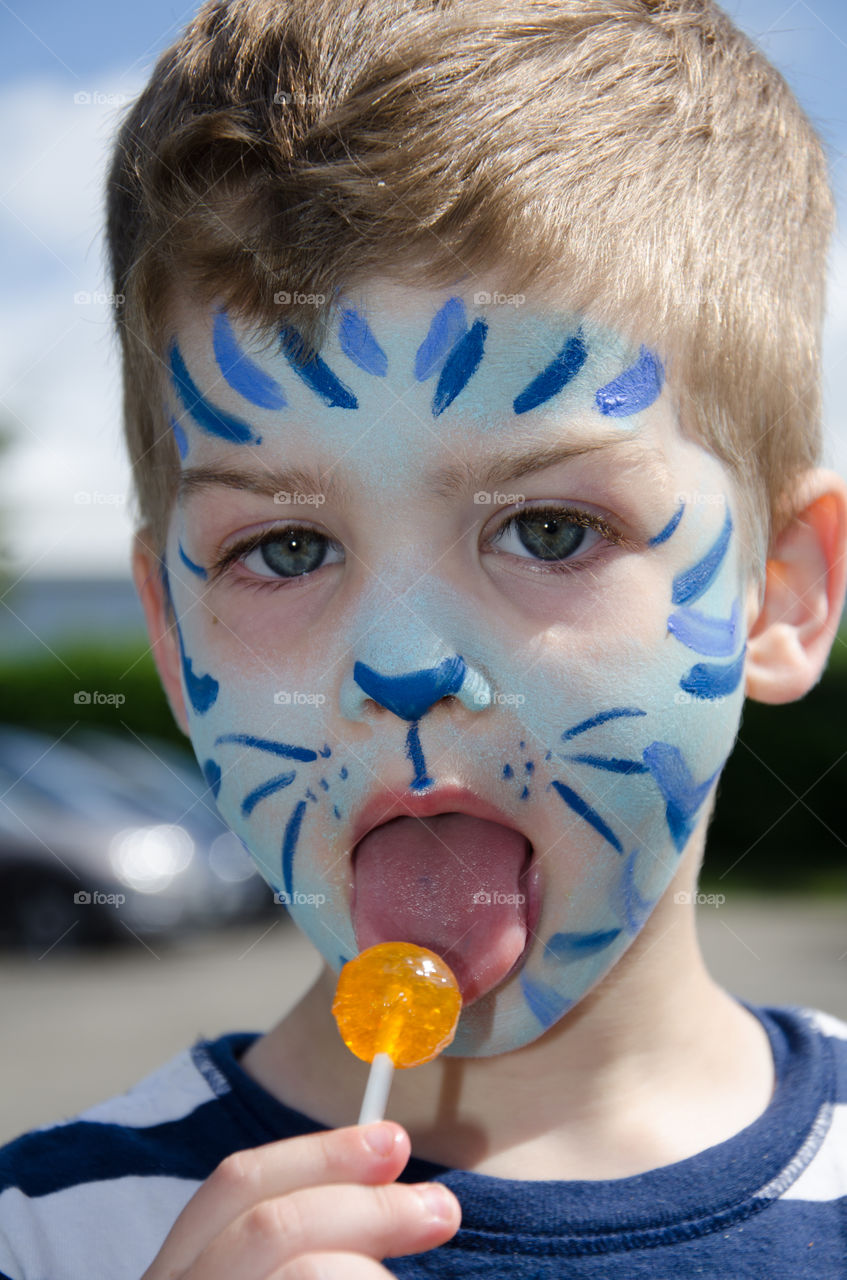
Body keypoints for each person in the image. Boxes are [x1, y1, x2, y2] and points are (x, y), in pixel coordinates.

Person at [1, 0, 846, 1275]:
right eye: (282, 548)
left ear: (779, 591)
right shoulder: (52, 1233)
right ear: (173, 635)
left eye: (552, 529)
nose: (401, 663)